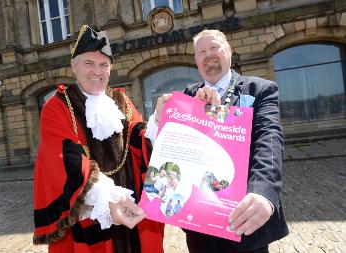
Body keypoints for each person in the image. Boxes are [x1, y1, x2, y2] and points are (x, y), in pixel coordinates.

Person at [153, 29, 289, 252]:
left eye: (214, 47)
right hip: (199, 225)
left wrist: (263, 191)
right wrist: (161, 120)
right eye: (201, 52)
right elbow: (175, 149)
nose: (208, 55)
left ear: (229, 50)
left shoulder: (259, 89)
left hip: (244, 223)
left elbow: (270, 139)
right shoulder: (186, 96)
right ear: (196, 60)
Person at [33, 25, 164, 253]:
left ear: (110, 68)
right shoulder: (58, 106)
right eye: (89, 63)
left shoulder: (121, 101)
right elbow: (67, 162)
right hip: (93, 218)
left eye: (103, 64)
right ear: (74, 66)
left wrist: (160, 121)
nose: (97, 71)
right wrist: (111, 200)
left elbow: (140, 138)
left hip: (132, 217)